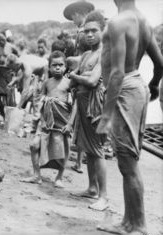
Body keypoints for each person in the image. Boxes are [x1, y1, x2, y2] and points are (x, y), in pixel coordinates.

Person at [96, 0, 163, 235]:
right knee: (129, 160)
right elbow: (160, 63)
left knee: (127, 162)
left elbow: (116, 72)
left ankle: (137, 225)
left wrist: (105, 117)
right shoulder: (143, 20)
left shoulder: (118, 21)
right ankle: (130, 221)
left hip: (124, 89)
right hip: (137, 86)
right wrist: (153, 85)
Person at [64, 11, 108, 211]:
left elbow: (91, 81)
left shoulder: (104, 52)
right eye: (86, 31)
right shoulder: (87, 54)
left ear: (103, 30)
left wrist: (77, 75)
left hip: (94, 104)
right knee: (88, 148)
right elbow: (75, 79)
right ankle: (92, 188)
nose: (89, 35)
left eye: (94, 31)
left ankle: (104, 196)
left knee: (97, 150)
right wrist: (78, 76)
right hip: (81, 101)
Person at [20, 51, 72, 188]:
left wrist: (71, 123)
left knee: (62, 151)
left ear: (66, 66)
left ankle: (59, 177)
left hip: (62, 123)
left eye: (61, 65)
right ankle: (37, 175)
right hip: (46, 122)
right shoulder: (47, 83)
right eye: (54, 65)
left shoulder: (70, 84)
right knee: (34, 145)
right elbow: (40, 103)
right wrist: (35, 121)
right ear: (49, 67)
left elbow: (74, 104)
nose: (58, 68)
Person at [63, 0, 95, 174]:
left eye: (73, 17)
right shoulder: (87, 32)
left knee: (80, 118)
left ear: (77, 14)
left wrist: (70, 65)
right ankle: (79, 161)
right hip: (83, 75)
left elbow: (84, 58)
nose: (73, 20)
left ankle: (79, 160)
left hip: (83, 76)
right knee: (81, 120)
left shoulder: (83, 33)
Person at [0, 31, 18, 118]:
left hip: (8, 72)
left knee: (8, 95)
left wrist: (15, 69)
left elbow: (18, 57)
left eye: (3, 39)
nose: (1, 41)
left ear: (5, 38)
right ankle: (3, 115)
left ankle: (9, 115)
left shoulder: (11, 47)